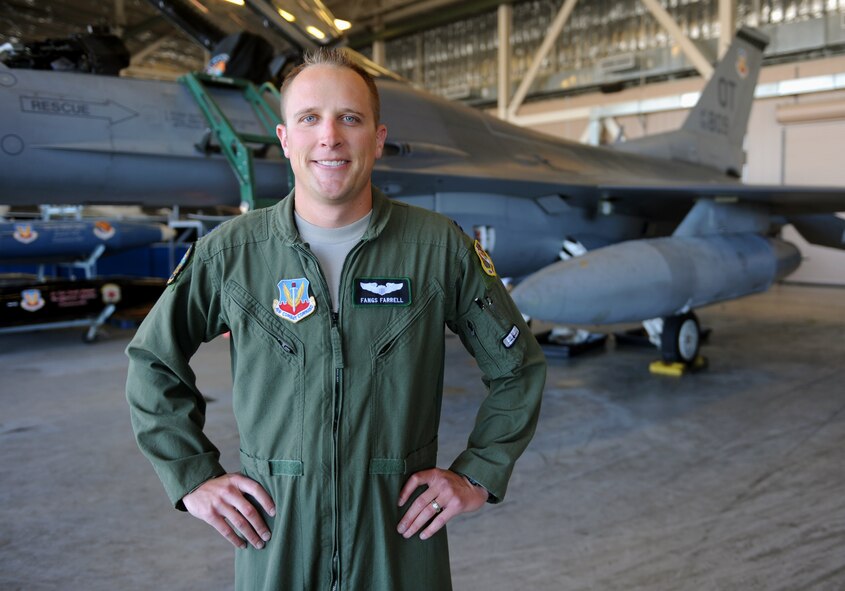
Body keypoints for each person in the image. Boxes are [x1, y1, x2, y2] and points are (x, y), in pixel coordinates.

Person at [126, 48, 546, 591]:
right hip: (275, 535)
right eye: (309, 118)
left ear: (377, 136)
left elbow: (518, 367)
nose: (330, 136)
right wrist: (192, 476)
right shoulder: (231, 253)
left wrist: (477, 473)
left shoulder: (437, 248)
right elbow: (152, 360)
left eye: (350, 118)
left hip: (397, 536)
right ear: (284, 138)